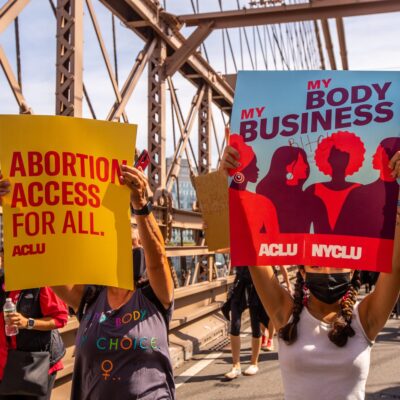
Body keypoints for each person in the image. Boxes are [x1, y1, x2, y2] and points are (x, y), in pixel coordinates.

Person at [220, 144, 400, 399]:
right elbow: (251, 247)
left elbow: (396, 266)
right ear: (302, 272)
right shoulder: (284, 314)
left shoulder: (366, 319)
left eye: (336, 263)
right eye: (316, 265)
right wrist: (232, 181)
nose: (326, 270)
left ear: (353, 270)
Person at [0, 164, 175, 400]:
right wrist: (14, 206)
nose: (133, 251)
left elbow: (158, 259)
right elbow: (44, 264)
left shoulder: (154, 297)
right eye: (123, 245)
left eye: (137, 245)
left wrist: (140, 205)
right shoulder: (89, 301)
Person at [0, 253, 68, 400]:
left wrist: (28, 323)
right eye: (2, 257)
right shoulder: (3, 282)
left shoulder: (39, 282)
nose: (4, 261)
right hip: (6, 364)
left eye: (7, 257)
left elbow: (60, 319)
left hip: (35, 365)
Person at [227, 134, 279, 265]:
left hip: (250, 268)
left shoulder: (223, 198)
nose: (257, 169)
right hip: (260, 266)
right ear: (244, 167)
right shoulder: (263, 202)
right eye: (254, 165)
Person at [335, 137, 400, 238]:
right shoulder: (357, 193)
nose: (373, 155)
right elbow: (340, 231)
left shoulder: (358, 193)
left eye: (379, 152)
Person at [255, 146, 330, 234]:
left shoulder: (313, 201)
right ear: (288, 168)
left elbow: (324, 236)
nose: (306, 166)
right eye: (302, 163)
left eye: (306, 162)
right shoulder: (264, 199)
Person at [224, 266, 270, 379]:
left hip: (256, 284)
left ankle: (254, 363)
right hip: (240, 283)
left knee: (256, 324)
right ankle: (236, 366)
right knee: (235, 324)